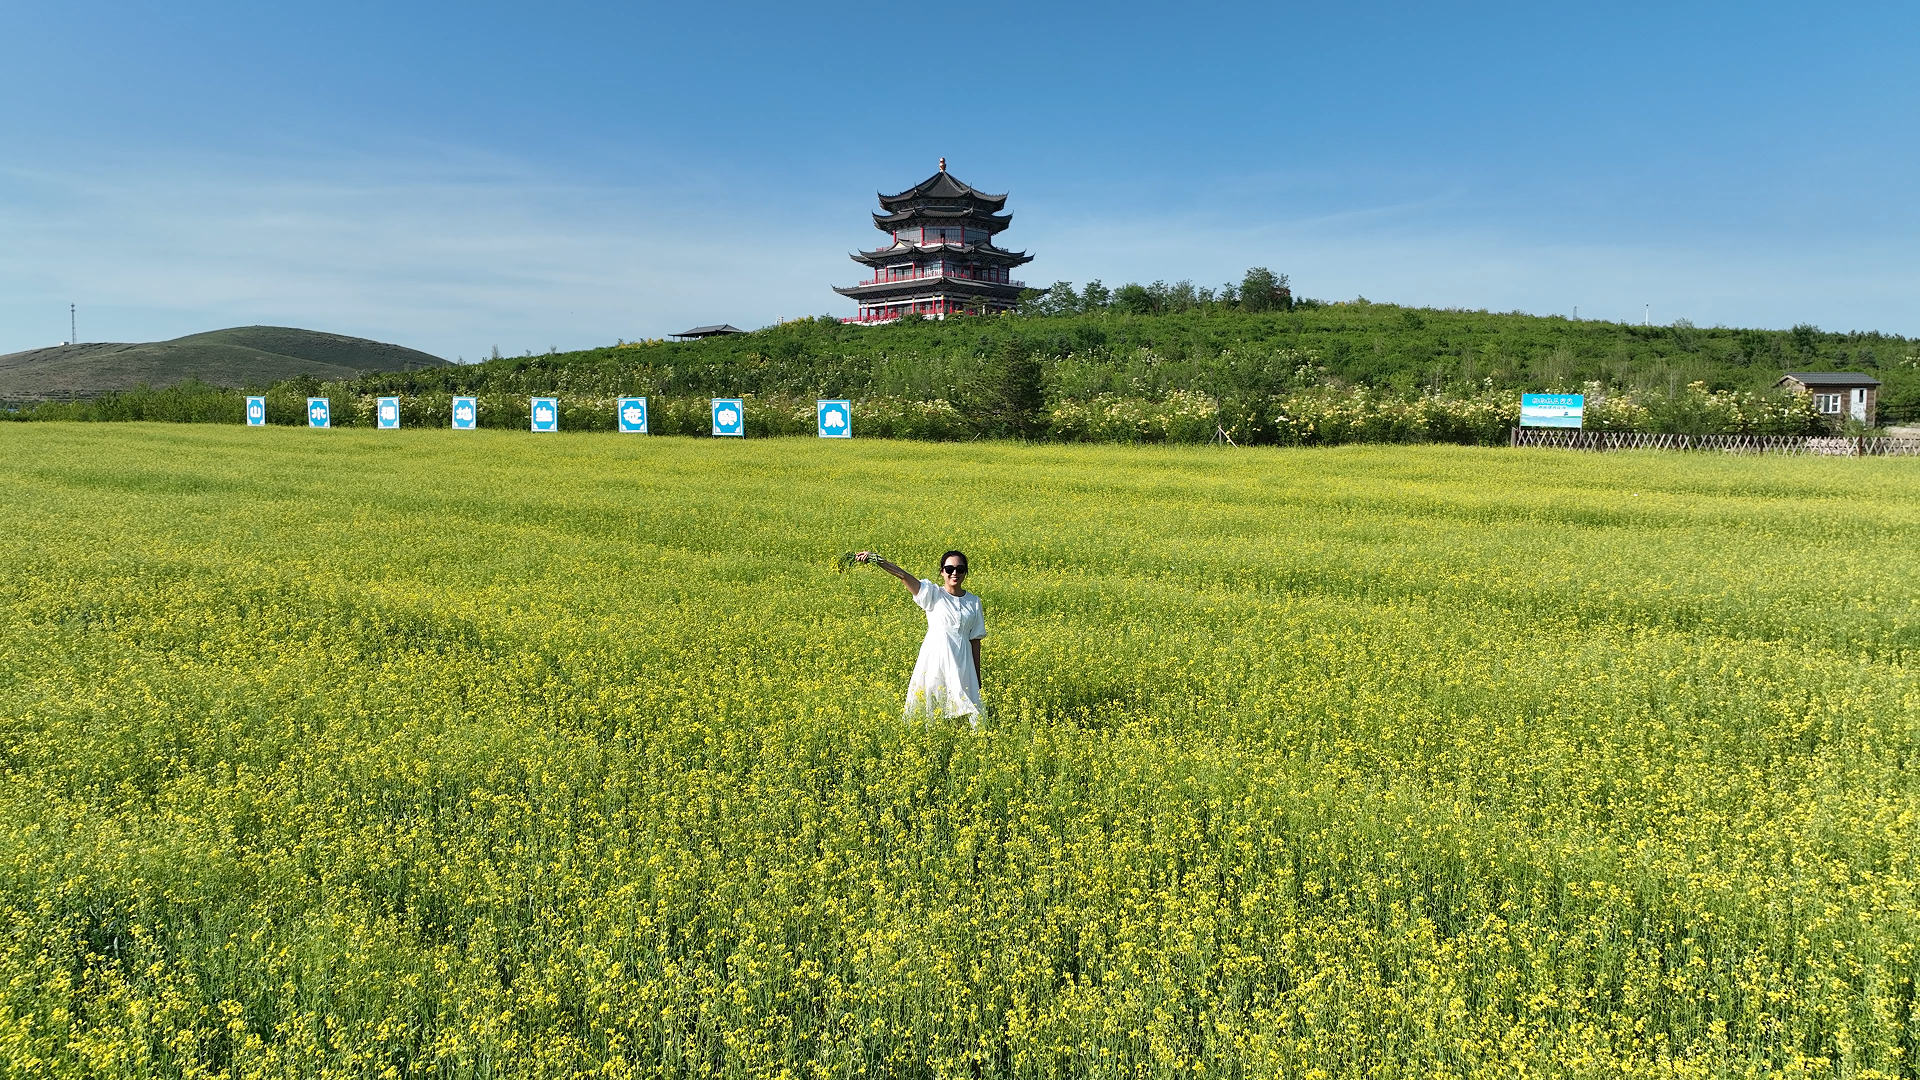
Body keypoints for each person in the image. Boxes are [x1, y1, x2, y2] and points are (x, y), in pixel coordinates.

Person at [855, 550, 986, 725]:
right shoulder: (932, 594)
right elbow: (902, 575)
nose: (954, 573)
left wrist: (977, 678)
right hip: (936, 660)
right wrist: (877, 560)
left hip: (963, 663)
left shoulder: (974, 602)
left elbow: (975, 641)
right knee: (932, 709)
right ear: (942, 571)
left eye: (960, 569)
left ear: (965, 572)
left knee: (968, 713)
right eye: (949, 568)